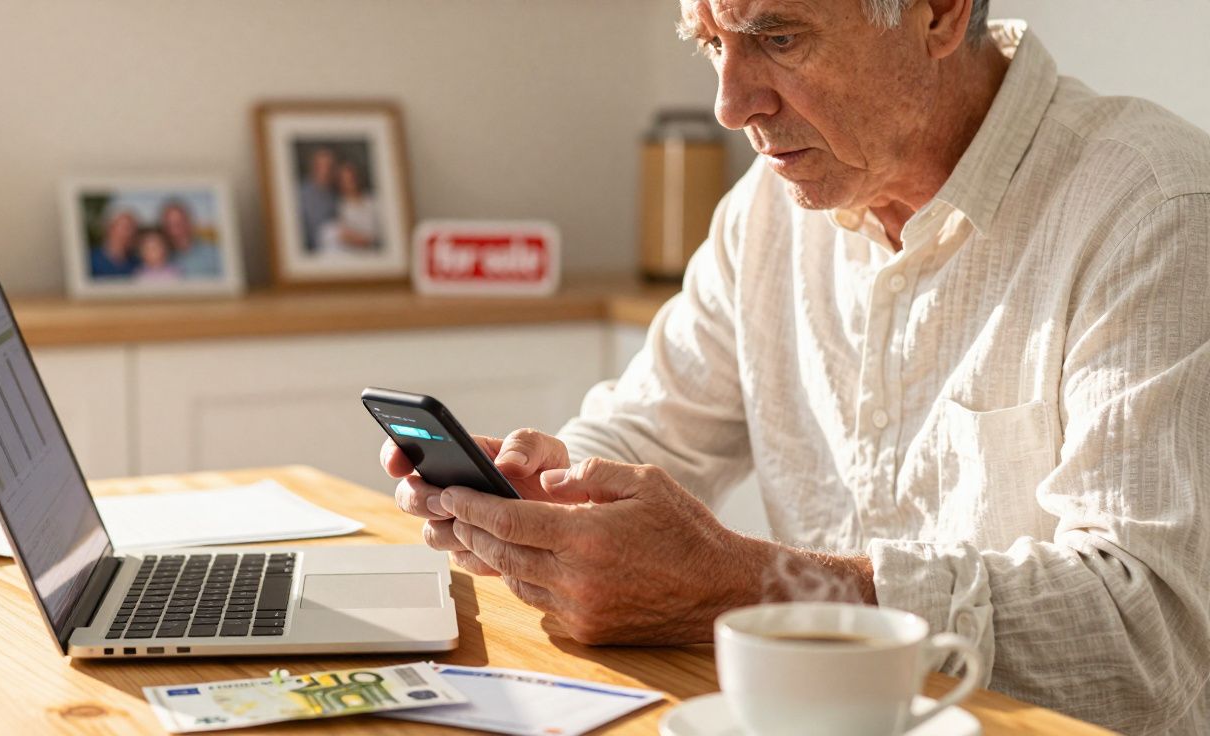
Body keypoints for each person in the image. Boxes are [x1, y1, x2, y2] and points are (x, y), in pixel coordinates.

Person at [383, 1, 1210, 733]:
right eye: (711, 42)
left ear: (939, 13)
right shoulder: (768, 207)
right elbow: (650, 422)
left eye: (778, 36)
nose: (730, 104)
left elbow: (1145, 630)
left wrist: (745, 587)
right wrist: (545, 489)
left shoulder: (1156, 209)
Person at [319, 162, 379, 253]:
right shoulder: (338, 206)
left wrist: (366, 240)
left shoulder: (373, 201)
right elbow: (338, 235)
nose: (349, 182)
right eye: (344, 180)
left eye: (351, 178)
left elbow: (378, 235)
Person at [160, 199, 221, 278]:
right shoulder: (161, 258)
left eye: (180, 223)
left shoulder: (214, 253)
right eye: (170, 225)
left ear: (190, 222)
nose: (176, 230)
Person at [299, 147, 340, 253]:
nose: (326, 171)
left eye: (330, 167)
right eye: (322, 166)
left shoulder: (335, 194)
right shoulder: (301, 194)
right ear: (314, 168)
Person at [89, 209, 139, 278]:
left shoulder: (137, 263)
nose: (130, 233)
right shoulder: (90, 261)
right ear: (109, 228)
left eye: (133, 228)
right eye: (125, 228)